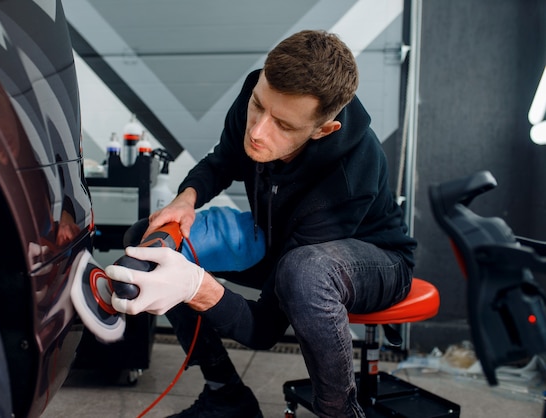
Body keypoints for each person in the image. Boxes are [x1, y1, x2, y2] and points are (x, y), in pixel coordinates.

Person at [105, 29, 417, 418]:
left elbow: (265, 329)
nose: (257, 131)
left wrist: (194, 286)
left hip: (375, 259)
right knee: (151, 239)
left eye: (283, 126)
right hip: (277, 234)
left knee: (304, 273)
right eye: (258, 107)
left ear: (323, 130)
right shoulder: (262, 91)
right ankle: (225, 395)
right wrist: (185, 201)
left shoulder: (350, 171)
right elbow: (223, 160)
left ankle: (341, 413)